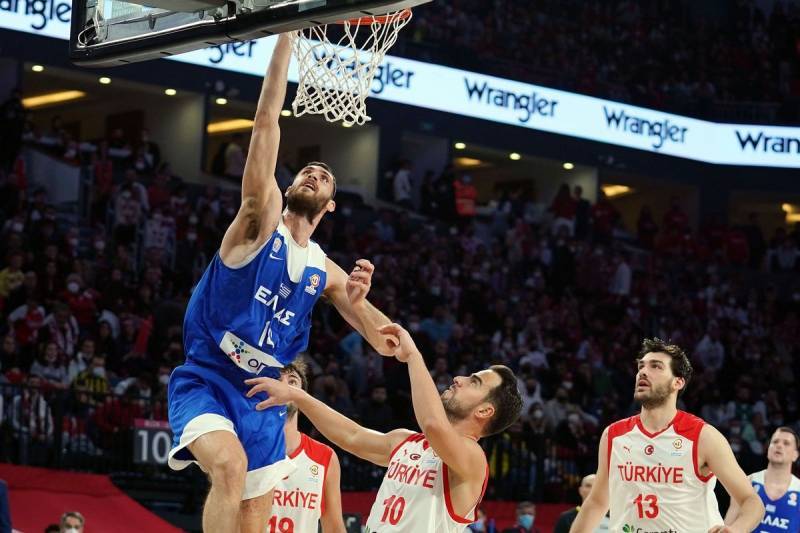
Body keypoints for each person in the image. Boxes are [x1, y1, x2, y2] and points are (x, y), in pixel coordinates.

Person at [166, 34, 396, 533]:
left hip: (265, 395)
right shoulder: (259, 221)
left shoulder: (325, 269)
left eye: (324, 177)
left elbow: (386, 343)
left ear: (331, 205)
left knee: (255, 513)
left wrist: (363, 303)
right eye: (307, 171)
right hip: (208, 377)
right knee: (229, 468)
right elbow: (266, 121)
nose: (313, 174)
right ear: (288, 186)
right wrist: (288, 37)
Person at [245, 323, 523, 532]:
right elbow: (351, 436)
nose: (459, 379)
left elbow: (433, 425)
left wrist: (413, 356)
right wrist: (298, 396)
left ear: (484, 411)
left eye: (474, 382)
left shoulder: (473, 460)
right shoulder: (407, 442)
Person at [569, 338, 765, 533]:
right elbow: (597, 502)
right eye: (641, 366)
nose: (643, 372)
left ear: (678, 382)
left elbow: (752, 502)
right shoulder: (613, 435)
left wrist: (736, 530)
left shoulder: (703, 437)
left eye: (656, 366)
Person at [269, 359, 346, 533]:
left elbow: (334, 528)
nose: (285, 387)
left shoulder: (324, 457)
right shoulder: (242, 448)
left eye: (292, 382)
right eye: (277, 380)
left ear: (303, 397)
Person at [724, 426, 800, 532]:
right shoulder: (748, 482)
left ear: (795, 455)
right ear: (768, 448)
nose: (779, 445)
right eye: (775, 442)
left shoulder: (798, 490)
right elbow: (728, 525)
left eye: (786, 443)